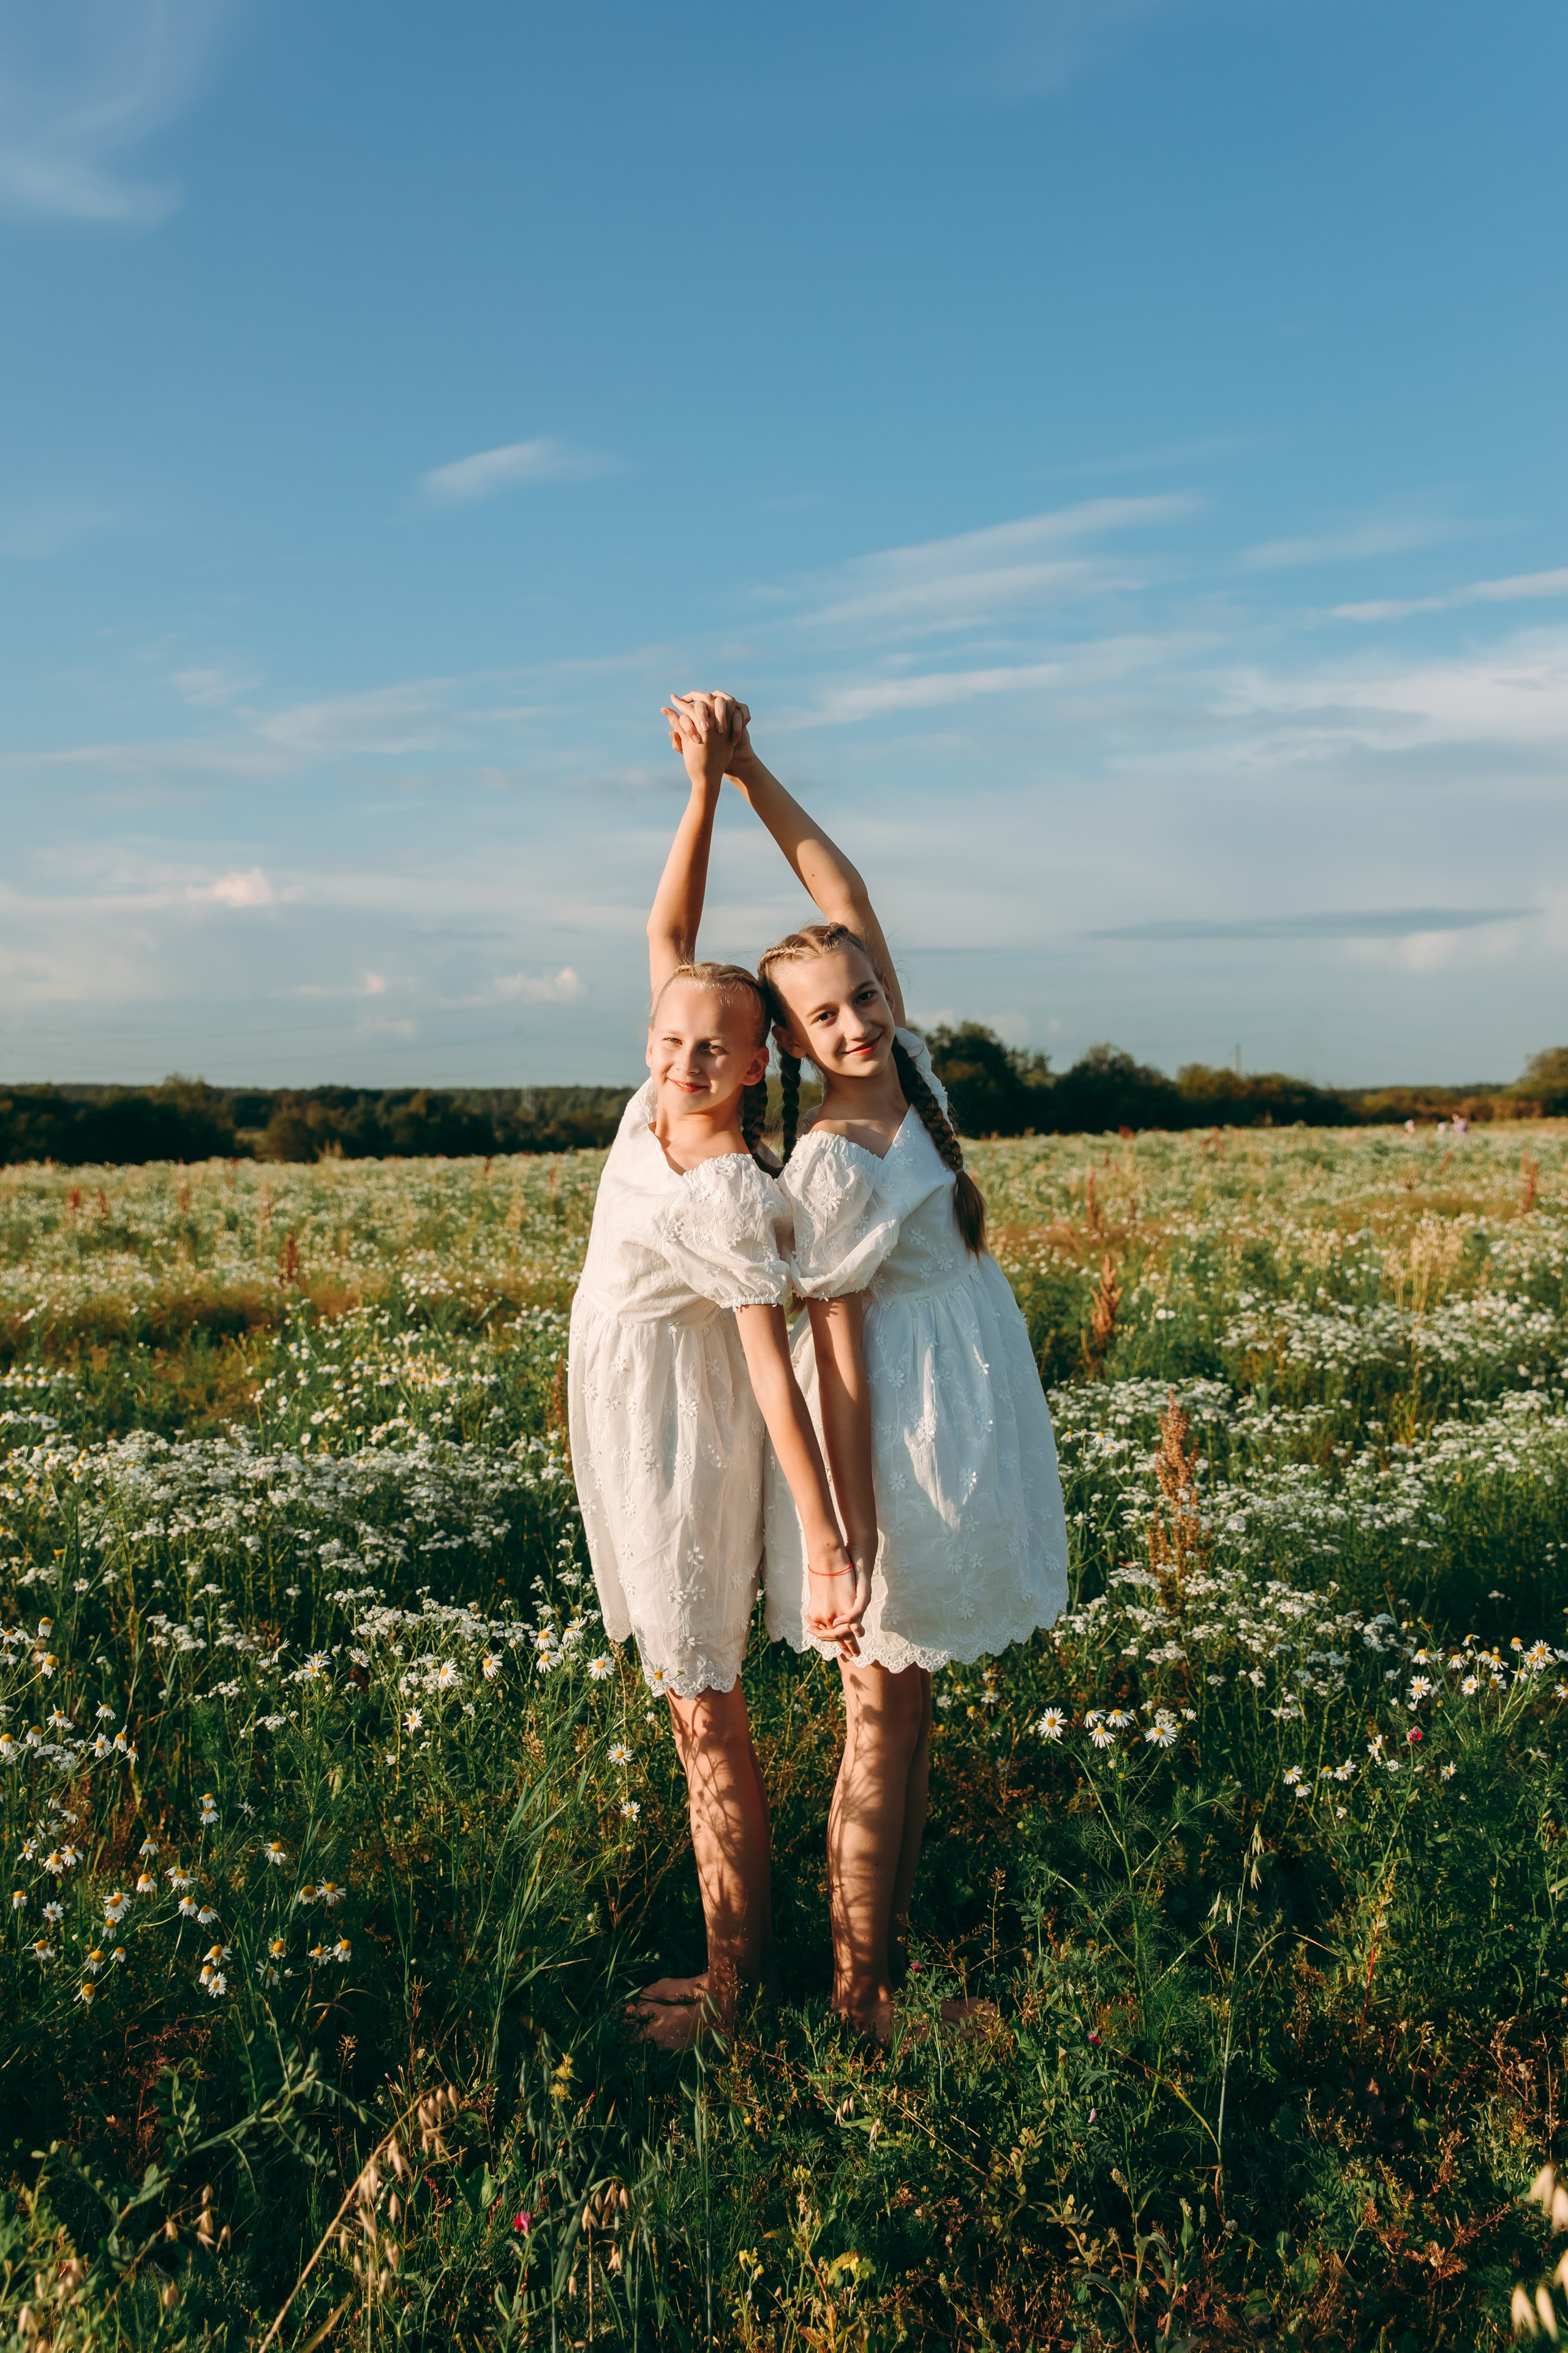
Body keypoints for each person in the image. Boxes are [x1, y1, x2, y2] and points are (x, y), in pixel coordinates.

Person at [665, 692, 1069, 2044]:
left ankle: (872, 1986)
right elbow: (832, 1364)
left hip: (961, 1414)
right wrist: (839, 1543)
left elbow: (834, 886)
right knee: (877, 1721)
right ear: (785, 1042)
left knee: (911, 1710)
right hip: (888, 1444)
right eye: (823, 1015)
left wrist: (748, 767)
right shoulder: (830, 1163)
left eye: (865, 995)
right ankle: (856, 2007)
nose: (853, 1021)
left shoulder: (912, 1072)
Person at [568, 693, 859, 2050]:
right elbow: (666, 935)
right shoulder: (652, 1101)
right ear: (648, 1046)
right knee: (689, 1699)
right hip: (630, 1416)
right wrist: (703, 787)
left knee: (704, 1706)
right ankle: (734, 1962)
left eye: (717, 1048)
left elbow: (769, 1373)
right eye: (672, 1036)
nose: (688, 1056)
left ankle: (733, 1988)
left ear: (759, 1066)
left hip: (687, 1441)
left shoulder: (731, 1188)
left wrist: (822, 1538)